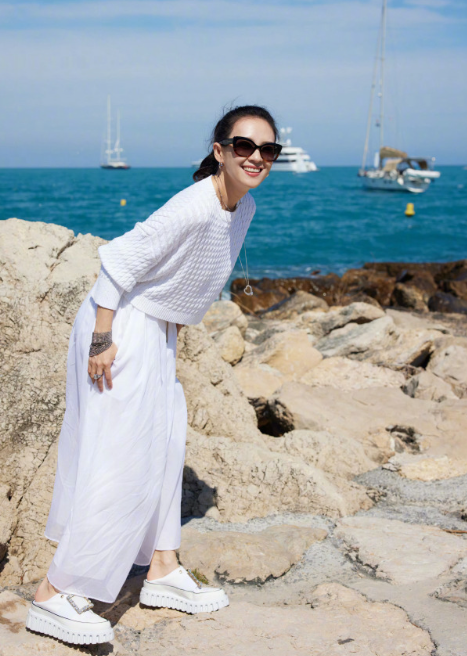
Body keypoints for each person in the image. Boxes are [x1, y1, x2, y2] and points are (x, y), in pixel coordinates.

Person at [25, 104, 282, 645]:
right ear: (220, 152)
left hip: (157, 330)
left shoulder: (244, 206)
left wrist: (172, 334)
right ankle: (54, 593)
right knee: (120, 456)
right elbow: (120, 260)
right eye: (244, 146)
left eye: (268, 149)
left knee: (164, 444)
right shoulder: (195, 205)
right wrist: (102, 338)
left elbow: (193, 277)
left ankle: (161, 568)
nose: (256, 157)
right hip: (120, 324)